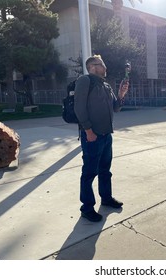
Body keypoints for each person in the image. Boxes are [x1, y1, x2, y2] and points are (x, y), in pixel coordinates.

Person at [74, 55, 129, 222]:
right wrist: (88, 130)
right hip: (92, 135)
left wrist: (121, 94)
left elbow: (116, 108)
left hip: (106, 135)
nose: (105, 68)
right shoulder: (85, 81)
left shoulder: (105, 84)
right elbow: (79, 107)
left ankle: (106, 198)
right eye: (102, 65)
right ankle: (87, 207)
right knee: (89, 172)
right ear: (92, 66)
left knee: (105, 170)